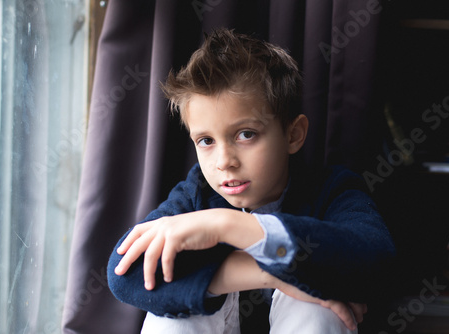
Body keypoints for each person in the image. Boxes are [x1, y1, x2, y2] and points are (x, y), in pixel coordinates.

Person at [107, 28, 395, 334]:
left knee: (315, 299)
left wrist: (227, 226)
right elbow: (122, 274)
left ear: (293, 134)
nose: (224, 161)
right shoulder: (195, 194)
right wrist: (269, 274)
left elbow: (375, 260)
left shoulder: (332, 189)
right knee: (172, 312)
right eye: (206, 141)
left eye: (246, 135)